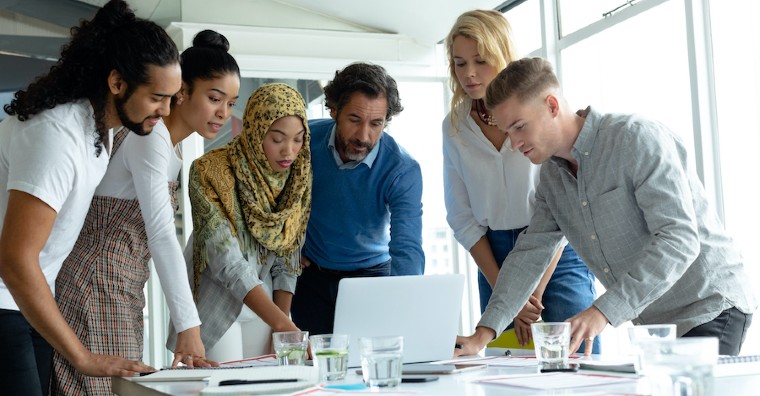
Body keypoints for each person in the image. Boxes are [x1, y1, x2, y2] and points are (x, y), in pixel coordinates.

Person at [455, 57, 757, 357]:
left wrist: (602, 311)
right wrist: (482, 335)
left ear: (552, 105)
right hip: (656, 323)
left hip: (709, 305)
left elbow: (678, 240)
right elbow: (529, 254)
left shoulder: (635, 139)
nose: (515, 143)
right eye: (509, 132)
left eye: (520, 127)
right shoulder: (551, 177)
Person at [0, 0, 180, 394]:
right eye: (157, 97)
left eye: (172, 98)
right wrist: (82, 356)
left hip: (29, 303)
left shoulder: (103, 128)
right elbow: (14, 260)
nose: (165, 110)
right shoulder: (56, 135)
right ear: (117, 83)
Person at [51, 30, 241, 394]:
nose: (223, 113)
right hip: (97, 285)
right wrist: (189, 325)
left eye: (231, 103)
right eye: (214, 98)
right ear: (182, 90)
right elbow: (162, 235)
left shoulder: (170, 145)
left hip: (122, 290)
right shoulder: (149, 140)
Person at [443, 10, 598, 352]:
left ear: (502, 55)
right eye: (459, 62)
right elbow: (461, 216)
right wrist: (505, 288)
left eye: (481, 61)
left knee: (576, 365)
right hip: (493, 258)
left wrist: (533, 290)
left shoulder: (539, 113)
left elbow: (561, 206)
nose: (469, 73)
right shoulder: (453, 126)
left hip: (558, 252)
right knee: (506, 368)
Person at [166, 83, 311, 362]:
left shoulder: (297, 178)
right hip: (214, 302)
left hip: (267, 307)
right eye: (277, 138)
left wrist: (281, 326)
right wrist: (284, 325)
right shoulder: (209, 171)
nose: (289, 151)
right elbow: (226, 261)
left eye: (298, 139)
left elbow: (287, 258)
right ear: (256, 132)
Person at [291, 62, 424, 335]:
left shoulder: (402, 169)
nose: (364, 136)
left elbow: (407, 246)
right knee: (314, 369)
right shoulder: (303, 141)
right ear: (334, 110)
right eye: (354, 120)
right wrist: (289, 246)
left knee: (367, 365)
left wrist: (405, 307)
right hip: (310, 277)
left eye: (376, 124)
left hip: (371, 276)